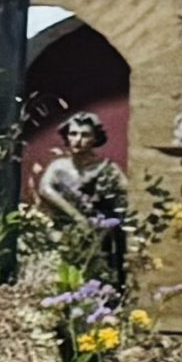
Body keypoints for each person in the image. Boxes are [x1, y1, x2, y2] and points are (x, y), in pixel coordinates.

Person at [35, 111, 129, 276]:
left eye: (85, 135)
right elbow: (45, 189)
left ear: (95, 139)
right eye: (73, 134)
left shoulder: (107, 168)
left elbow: (128, 192)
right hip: (65, 233)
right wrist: (76, 216)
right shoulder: (58, 166)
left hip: (98, 236)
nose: (78, 140)